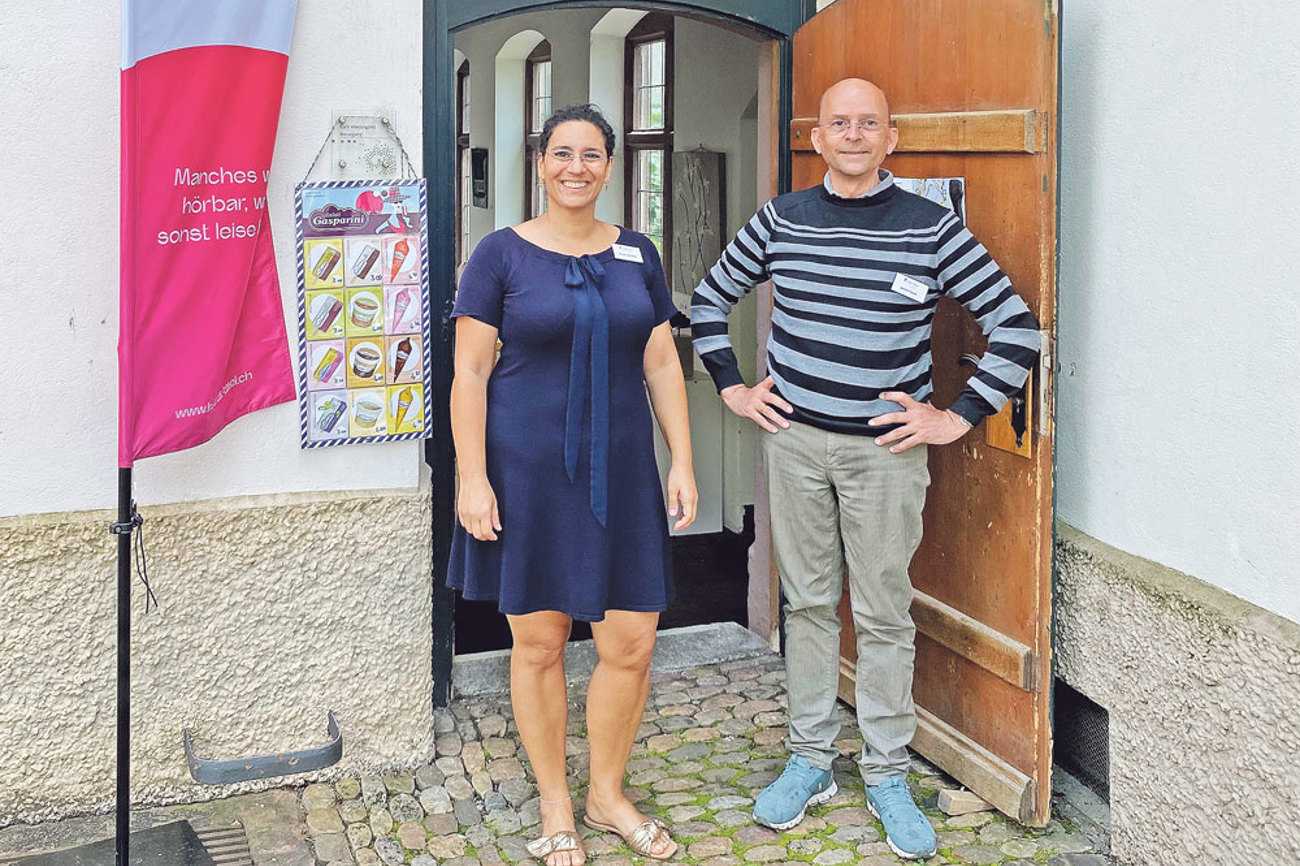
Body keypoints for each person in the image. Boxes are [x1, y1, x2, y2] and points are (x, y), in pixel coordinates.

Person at [689, 79, 1039, 860]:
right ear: (817, 139)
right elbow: (709, 300)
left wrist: (954, 415)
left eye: (867, 124)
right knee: (810, 606)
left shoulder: (931, 229)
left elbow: (1018, 329)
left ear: (891, 138)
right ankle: (810, 760)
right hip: (794, 443)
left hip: (886, 454)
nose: (852, 135)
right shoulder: (782, 218)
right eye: (838, 123)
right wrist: (735, 388)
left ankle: (885, 773)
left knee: (883, 613)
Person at [448, 103, 696, 866]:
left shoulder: (637, 253)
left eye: (592, 155)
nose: (576, 167)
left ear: (611, 167)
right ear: (541, 162)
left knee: (632, 640)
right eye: (563, 153)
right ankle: (556, 802)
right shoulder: (500, 255)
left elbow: (660, 362)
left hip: (621, 473)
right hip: (529, 476)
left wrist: (681, 459)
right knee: (541, 642)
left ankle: (607, 794)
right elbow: (470, 372)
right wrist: (472, 477)